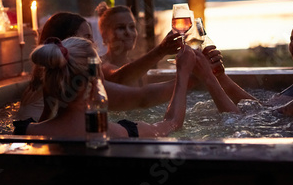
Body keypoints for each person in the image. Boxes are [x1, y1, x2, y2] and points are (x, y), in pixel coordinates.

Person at [18, 11, 196, 122]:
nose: (92, 44)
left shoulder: (45, 82)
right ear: (68, 44)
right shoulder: (78, 80)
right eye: (87, 38)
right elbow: (140, 97)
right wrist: (190, 77)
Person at [18, 37, 196, 138]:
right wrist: (183, 73)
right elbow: (172, 124)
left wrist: (51, 106)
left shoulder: (24, 132)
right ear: (95, 78)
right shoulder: (120, 133)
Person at [96, 3, 181, 86]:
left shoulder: (137, 65)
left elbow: (145, 94)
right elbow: (121, 78)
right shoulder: (100, 65)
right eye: (120, 28)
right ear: (105, 35)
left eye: (132, 27)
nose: (128, 33)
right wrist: (161, 50)